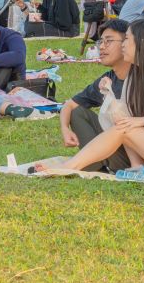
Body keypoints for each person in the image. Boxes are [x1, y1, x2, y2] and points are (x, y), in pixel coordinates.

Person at [35, 20, 144, 173]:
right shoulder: (134, 77)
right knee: (124, 124)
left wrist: (143, 120)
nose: (123, 45)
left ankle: (71, 166)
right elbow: (121, 120)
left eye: (127, 39)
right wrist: (109, 94)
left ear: (141, 42)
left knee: (127, 126)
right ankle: (134, 167)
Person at [57, 19, 135, 172]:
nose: (102, 47)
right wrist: (65, 129)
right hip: (112, 145)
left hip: (137, 148)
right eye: (101, 42)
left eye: (109, 41)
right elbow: (69, 104)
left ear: (126, 43)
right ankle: (94, 163)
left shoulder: (141, 77)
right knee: (77, 112)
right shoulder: (107, 79)